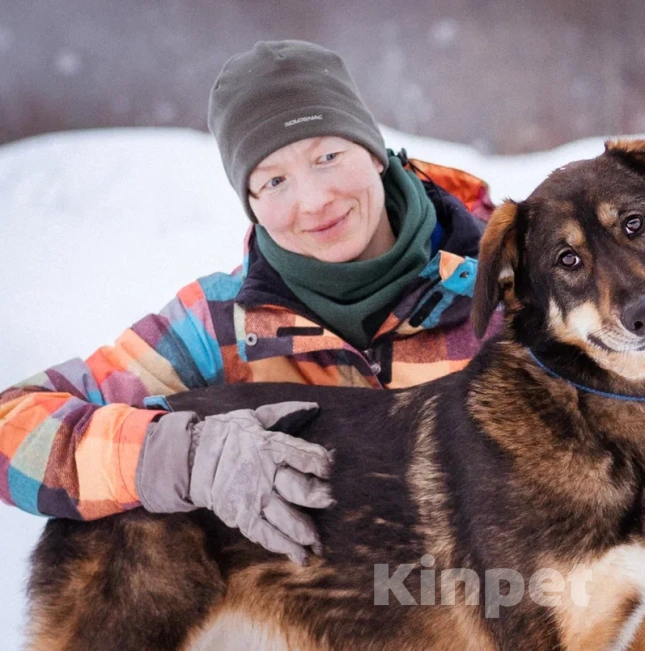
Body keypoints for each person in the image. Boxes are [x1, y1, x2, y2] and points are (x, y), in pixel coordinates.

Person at [0, 41, 499, 565]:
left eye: (328, 156)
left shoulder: (516, 282)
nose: (313, 201)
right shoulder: (221, 324)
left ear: (373, 151)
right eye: (275, 181)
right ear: (252, 204)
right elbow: (13, 430)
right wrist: (186, 458)